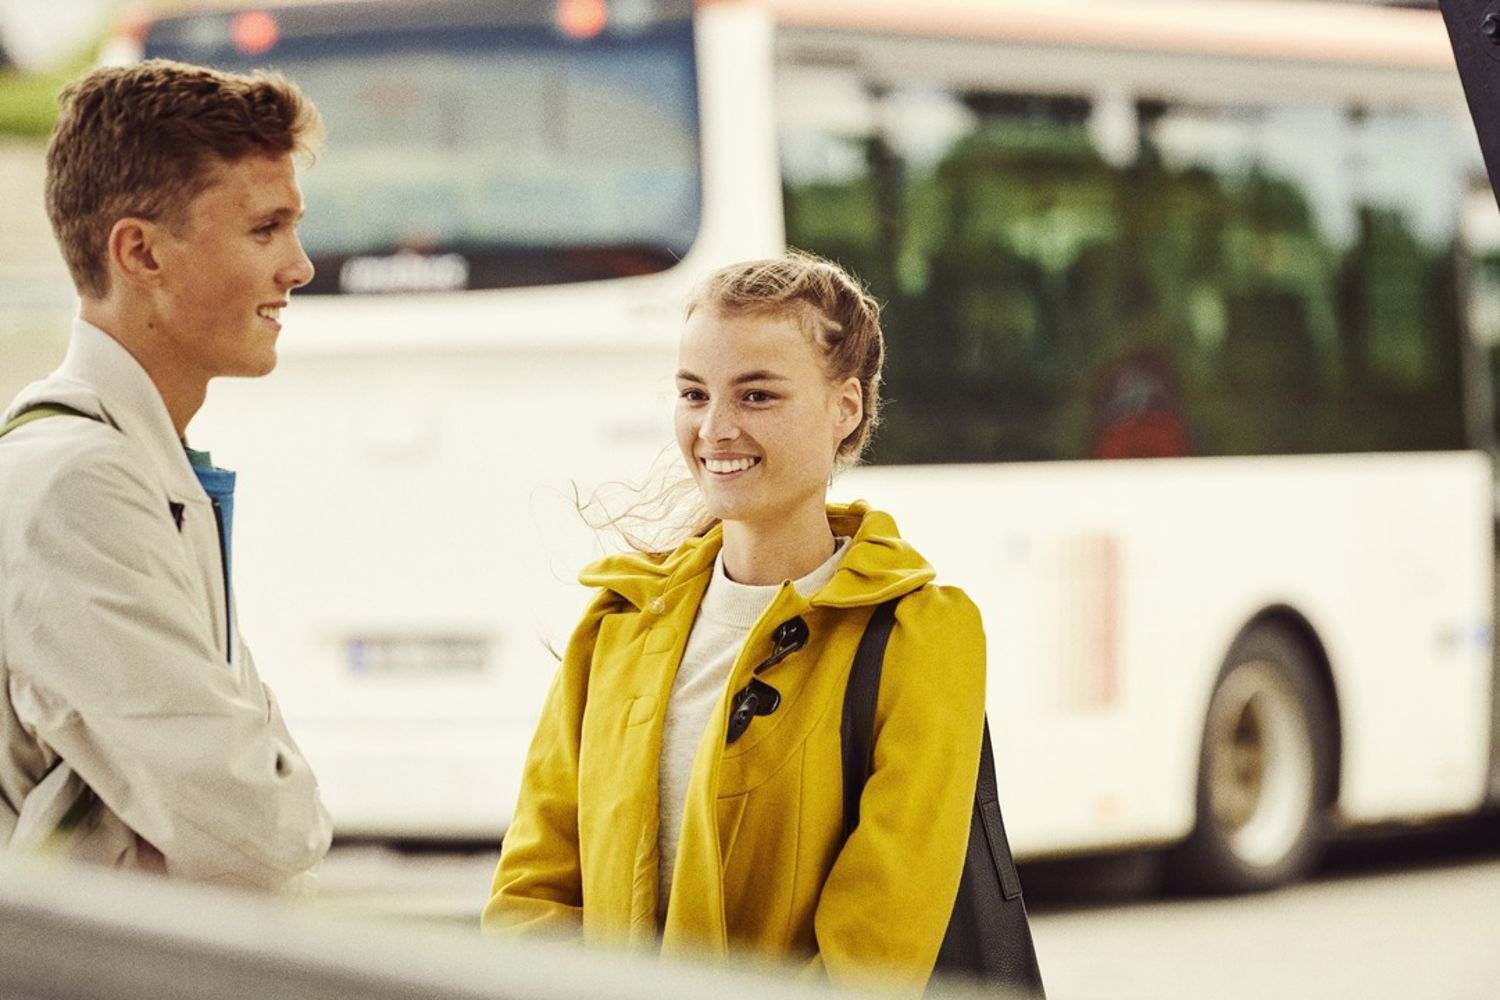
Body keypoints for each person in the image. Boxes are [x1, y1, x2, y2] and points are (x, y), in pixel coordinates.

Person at [484, 253, 988, 993]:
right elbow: (532, 895)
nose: (715, 428)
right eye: (694, 394)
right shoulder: (618, 623)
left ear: (845, 408)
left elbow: (874, 952)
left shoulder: (921, 635)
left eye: (756, 395)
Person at [0, 60, 332, 894]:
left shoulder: (129, 465)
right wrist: (279, 804)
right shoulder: (77, 485)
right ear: (140, 252)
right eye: (265, 229)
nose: (299, 267)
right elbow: (256, 835)